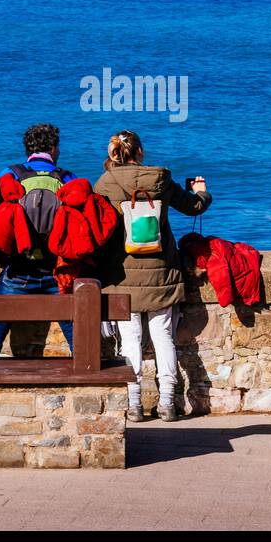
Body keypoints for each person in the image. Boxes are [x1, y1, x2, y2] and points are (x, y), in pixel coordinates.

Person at [94, 130, 211, 422]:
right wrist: (201, 191)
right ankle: (169, 403)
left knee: (131, 341)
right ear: (141, 152)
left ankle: (134, 405)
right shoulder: (161, 180)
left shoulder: (106, 183)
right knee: (164, 338)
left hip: (122, 275)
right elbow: (194, 206)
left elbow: (97, 226)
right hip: (162, 272)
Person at [0, 123, 77, 357]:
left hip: (18, 273)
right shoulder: (68, 178)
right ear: (53, 148)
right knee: (76, 335)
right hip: (56, 273)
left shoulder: (11, 175)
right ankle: (88, 378)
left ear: (28, 149)